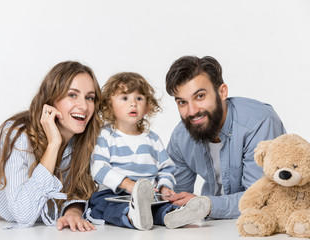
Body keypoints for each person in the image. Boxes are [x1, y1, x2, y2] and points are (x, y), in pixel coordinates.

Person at [0, 61, 102, 232]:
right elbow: (24, 215)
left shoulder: (85, 141)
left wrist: (73, 212)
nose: (83, 106)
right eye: (72, 95)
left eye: (90, 97)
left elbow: (79, 191)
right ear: (51, 100)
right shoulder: (18, 135)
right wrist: (53, 145)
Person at [165, 56, 286, 219]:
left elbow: (261, 198)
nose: (192, 111)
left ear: (222, 92)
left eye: (200, 96)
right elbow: (176, 199)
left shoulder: (259, 123)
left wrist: (206, 206)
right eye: (182, 102)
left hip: (264, 224)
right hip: (212, 228)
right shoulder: (181, 137)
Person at [88, 72, 211, 230]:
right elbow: (98, 168)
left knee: (159, 206)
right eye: (125, 98)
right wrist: (128, 184)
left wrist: (164, 187)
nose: (133, 104)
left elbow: (166, 168)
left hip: (148, 197)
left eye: (139, 98)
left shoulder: (152, 139)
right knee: (104, 206)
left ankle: (173, 215)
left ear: (147, 107)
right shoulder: (106, 135)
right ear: (109, 106)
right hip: (113, 195)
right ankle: (131, 216)